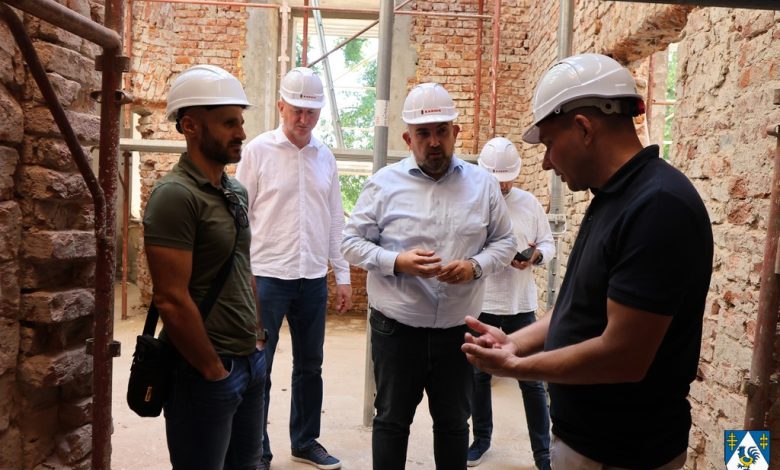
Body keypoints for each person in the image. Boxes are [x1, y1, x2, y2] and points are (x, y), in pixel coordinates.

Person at [462, 53, 713, 470]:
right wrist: (514, 343)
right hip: (588, 443)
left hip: (621, 453)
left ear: (583, 128)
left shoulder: (658, 206)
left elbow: (623, 355)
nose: (546, 161)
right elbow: (575, 308)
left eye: (548, 144)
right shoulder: (613, 197)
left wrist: (517, 366)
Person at [342, 82, 516, 470]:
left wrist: (475, 266)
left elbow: (505, 242)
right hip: (396, 328)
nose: (434, 142)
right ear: (408, 139)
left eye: (442, 131)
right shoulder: (383, 184)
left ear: (456, 132)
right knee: (391, 421)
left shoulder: (483, 185)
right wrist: (396, 261)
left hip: (458, 330)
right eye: (423, 133)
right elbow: (350, 243)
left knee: (454, 424)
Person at [143, 64, 266, 469]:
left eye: (240, 122)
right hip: (203, 372)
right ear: (190, 126)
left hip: (249, 361)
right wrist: (213, 370)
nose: (241, 132)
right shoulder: (175, 196)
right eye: (229, 123)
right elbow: (170, 298)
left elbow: (243, 266)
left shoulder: (235, 191)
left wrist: (258, 338)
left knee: (248, 464)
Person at [235, 66, 352, 470]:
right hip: (265, 278)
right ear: (280, 106)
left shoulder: (325, 157)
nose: (304, 119)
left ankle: (304, 441)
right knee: (259, 367)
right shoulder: (257, 152)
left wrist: (343, 275)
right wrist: (241, 277)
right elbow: (239, 217)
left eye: (311, 112)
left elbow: (335, 219)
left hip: (312, 279)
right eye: (297, 110)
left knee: (310, 366)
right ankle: (257, 449)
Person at [467, 137, 555, 470]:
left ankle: (543, 453)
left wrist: (535, 256)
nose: (503, 185)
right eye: (497, 179)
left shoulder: (529, 203)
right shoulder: (473, 203)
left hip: (521, 305)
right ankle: (481, 440)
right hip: (484, 302)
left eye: (508, 179)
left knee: (532, 381)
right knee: (479, 378)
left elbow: (548, 243)